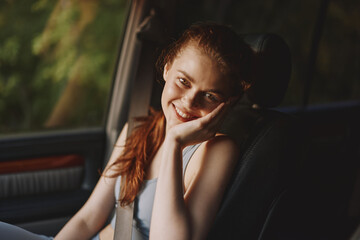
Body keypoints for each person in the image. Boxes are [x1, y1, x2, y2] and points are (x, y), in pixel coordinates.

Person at [0, 22, 252, 240]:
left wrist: (175, 142)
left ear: (226, 104)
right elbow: (89, 219)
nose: (189, 102)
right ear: (166, 68)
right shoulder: (137, 129)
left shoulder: (218, 150)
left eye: (209, 95)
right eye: (183, 81)